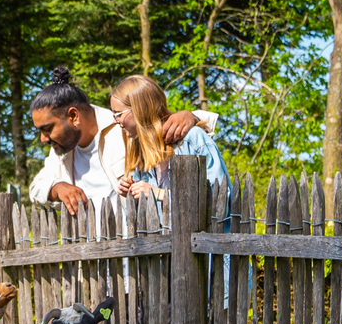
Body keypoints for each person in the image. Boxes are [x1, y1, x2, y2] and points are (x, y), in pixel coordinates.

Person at [27, 67, 215, 217]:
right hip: (89, 259)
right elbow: (35, 189)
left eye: (47, 128)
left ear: (73, 116)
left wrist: (191, 115)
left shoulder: (124, 127)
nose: (43, 138)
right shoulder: (61, 150)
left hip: (133, 255)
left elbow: (155, 122)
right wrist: (57, 187)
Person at [110, 74, 227, 197]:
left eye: (118, 114)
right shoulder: (142, 155)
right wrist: (132, 197)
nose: (115, 120)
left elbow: (219, 199)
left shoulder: (192, 139)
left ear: (140, 109)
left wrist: (159, 194)